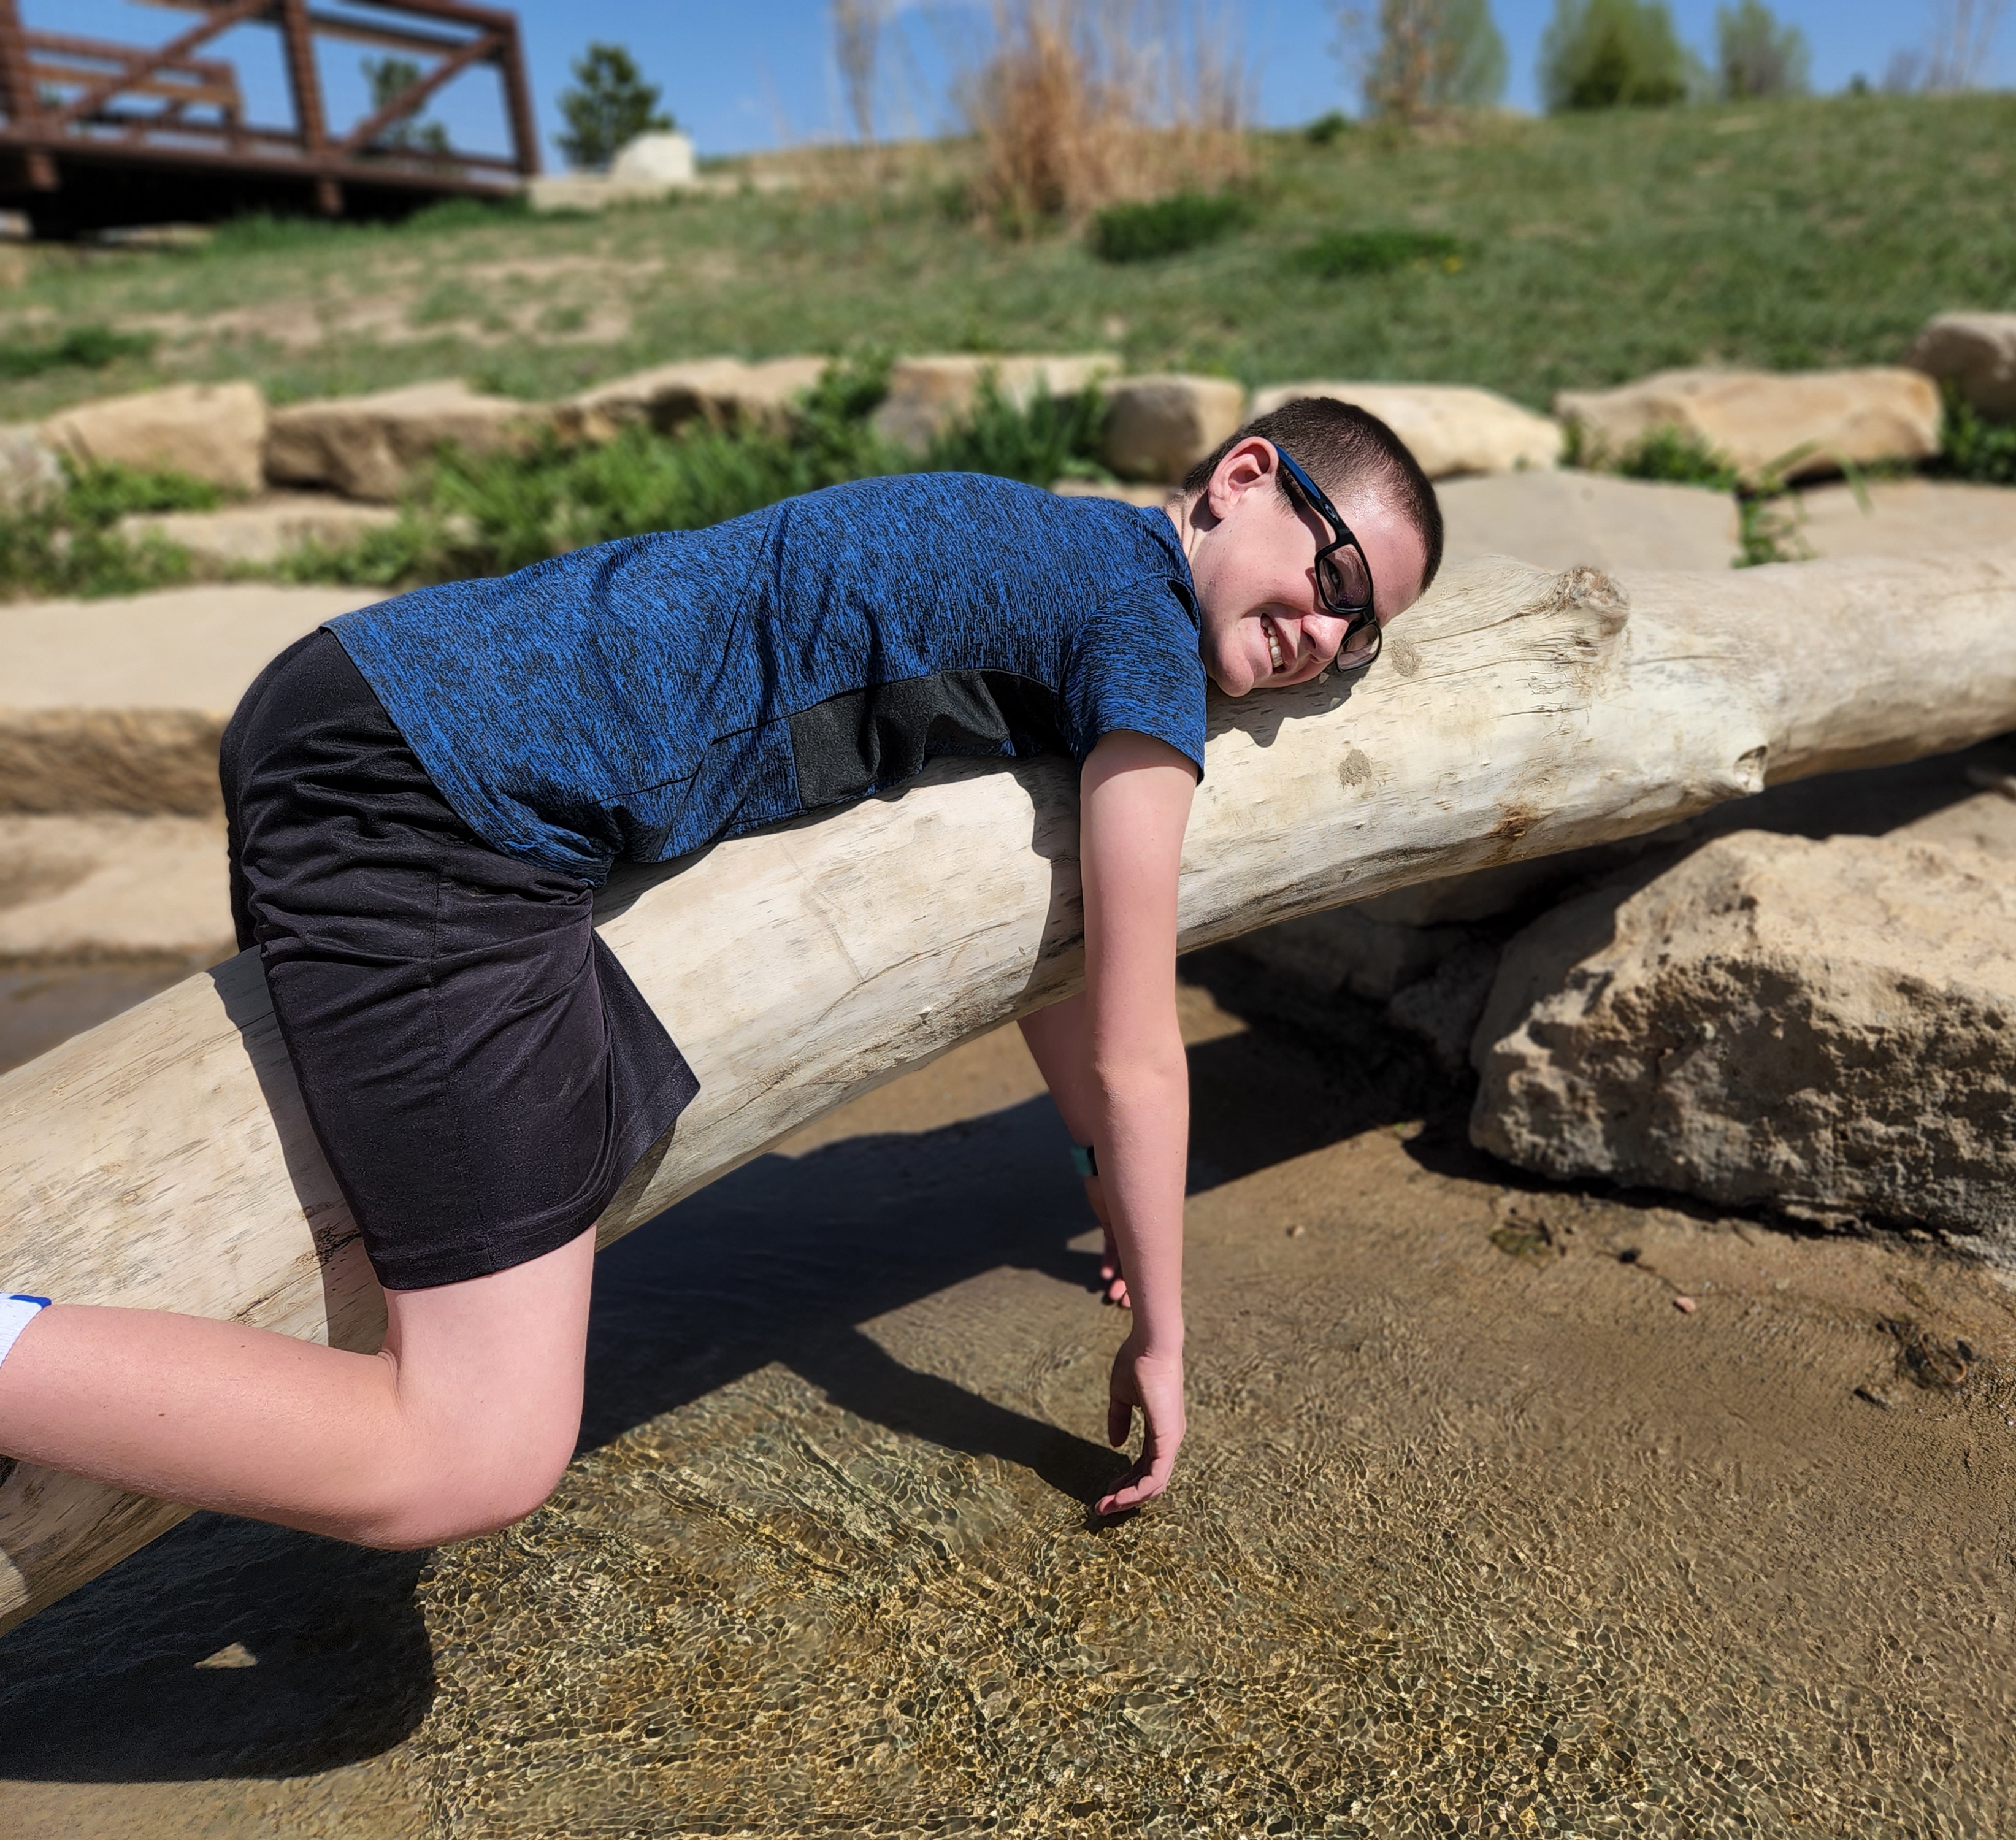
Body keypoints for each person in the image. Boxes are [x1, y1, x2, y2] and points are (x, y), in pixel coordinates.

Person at [0, 397, 1442, 1545]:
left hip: (382, 696)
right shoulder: (1138, 630)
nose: (1323, 635)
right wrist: (1168, 1341)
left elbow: (1057, 984)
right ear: (1239, 476)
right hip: (439, 804)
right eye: (1332, 574)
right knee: (470, 1450)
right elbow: (1134, 1035)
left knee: (399, 1260)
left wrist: (1095, 1184)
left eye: (1359, 639)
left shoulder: (1060, 553)